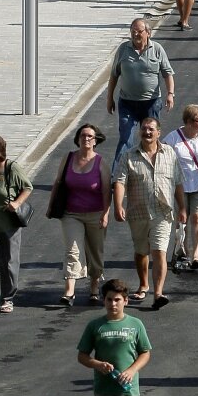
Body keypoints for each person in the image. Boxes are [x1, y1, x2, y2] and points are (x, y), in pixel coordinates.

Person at [112, 115, 182, 310]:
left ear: (159, 132)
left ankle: (158, 293)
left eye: (151, 129)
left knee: (159, 252)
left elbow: (177, 182)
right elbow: (120, 182)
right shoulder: (129, 155)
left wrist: (182, 207)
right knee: (142, 251)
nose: (147, 131)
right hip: (138, 212)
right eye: (144, 128)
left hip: (163, 211)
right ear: (140, 131)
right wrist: (118, 205)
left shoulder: (170, 153)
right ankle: (144, 283)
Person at [51, 122, 111, 307]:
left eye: (90, 136)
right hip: (71, 214)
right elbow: (58, 182)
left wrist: (106, 214)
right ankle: (69, 291)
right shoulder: (68, 158)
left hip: (95, 214)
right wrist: (51, 206)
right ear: (77, 139)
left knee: (95, 253)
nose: (86, 138)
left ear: (96, 140)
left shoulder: (101, 162)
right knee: (73, 251)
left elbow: (107, 191)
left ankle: (94, 288)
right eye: (83, 135)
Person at [105, 17, 175, 169]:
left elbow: (167, 74)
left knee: (150, 139)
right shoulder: (123, 49)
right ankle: (117, 176)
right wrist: (109, 98)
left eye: (139, 31)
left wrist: (170, 94)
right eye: (133, 32)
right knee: (126, 138)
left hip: (151, 103)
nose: (136, 35)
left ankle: (154, 169)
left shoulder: (157, 49)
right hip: (127, 103)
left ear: (148, 33)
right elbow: (114, 75)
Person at [163, 104, 198, 271]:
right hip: (180, 185)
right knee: (182, 220)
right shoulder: (173, 138)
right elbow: (162, 157)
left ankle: (196, 255)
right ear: (188, 121)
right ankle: (183, 252)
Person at [0, 134, 32, 314]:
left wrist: (16, 203)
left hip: (8, 223)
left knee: (9, 261)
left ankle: (7, 299)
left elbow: (28, 187)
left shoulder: (11, 168)